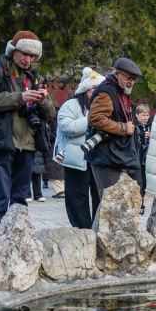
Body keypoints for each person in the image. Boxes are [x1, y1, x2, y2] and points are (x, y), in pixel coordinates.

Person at [0, 30, 56, 231]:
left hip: (28, 143)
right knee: (1, 196)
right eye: (24, 54)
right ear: (13, 50)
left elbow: (50, 114)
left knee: (20, 199)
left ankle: (17, 241)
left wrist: (43, 100)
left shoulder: (34, 77)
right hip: (2, 140)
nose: (27, 59)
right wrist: (20, 97)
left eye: (32, 56)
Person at [86, 58, 142, 198]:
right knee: (109, 202)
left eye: (134, 79)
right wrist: (124, 128)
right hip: (106, 156)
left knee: (110, 204)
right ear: (117, 74)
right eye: (129, 78)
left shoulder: (119, 90)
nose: (132, 82)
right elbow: (95, 118)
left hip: (114, 155)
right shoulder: (107, 91)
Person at [56, 67, 104, 229]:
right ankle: (82, 231)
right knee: (77, 197)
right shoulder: (70, 105)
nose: (97, 93)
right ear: (84, 91)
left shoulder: (106, 107)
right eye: (93, 89)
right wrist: (92, 118)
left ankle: (98, 229)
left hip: (100, 158)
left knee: (100, 196)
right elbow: (67, 127)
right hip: (76, 158)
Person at [132, 103, 151, 215]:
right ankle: (140, 204)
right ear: (137, 115)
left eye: (147, 115)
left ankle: (141, 202)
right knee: (139, 183)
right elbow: (134, 142)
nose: (145, 117)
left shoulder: (149, 126)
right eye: (143, 115)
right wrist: (142, 136)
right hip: (137, 159)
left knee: (145, 183)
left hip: (146, 159)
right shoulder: (135, 126)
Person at [43, 104, 65, 198]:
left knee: (52, 170)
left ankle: (60, 191)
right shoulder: (61, 116)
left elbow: (53, 134)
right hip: (60, 146)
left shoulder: (51, 118)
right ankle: (63, 189)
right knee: (58, 169)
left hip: (52, 146)